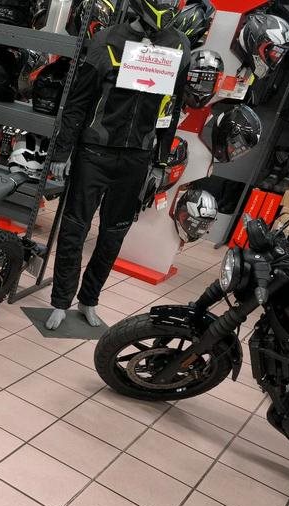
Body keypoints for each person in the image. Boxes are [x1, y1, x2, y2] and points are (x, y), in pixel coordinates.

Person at [44, 0, 191, 331]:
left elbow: (173, 106)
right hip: (95, 151)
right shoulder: (107, 39)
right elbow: (78, 100)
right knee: (74, 229)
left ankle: (89, 299)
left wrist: (161, 159)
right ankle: (60, 300)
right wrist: (62, 152)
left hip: (137, 155)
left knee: (113, 235)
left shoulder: (179, 46)